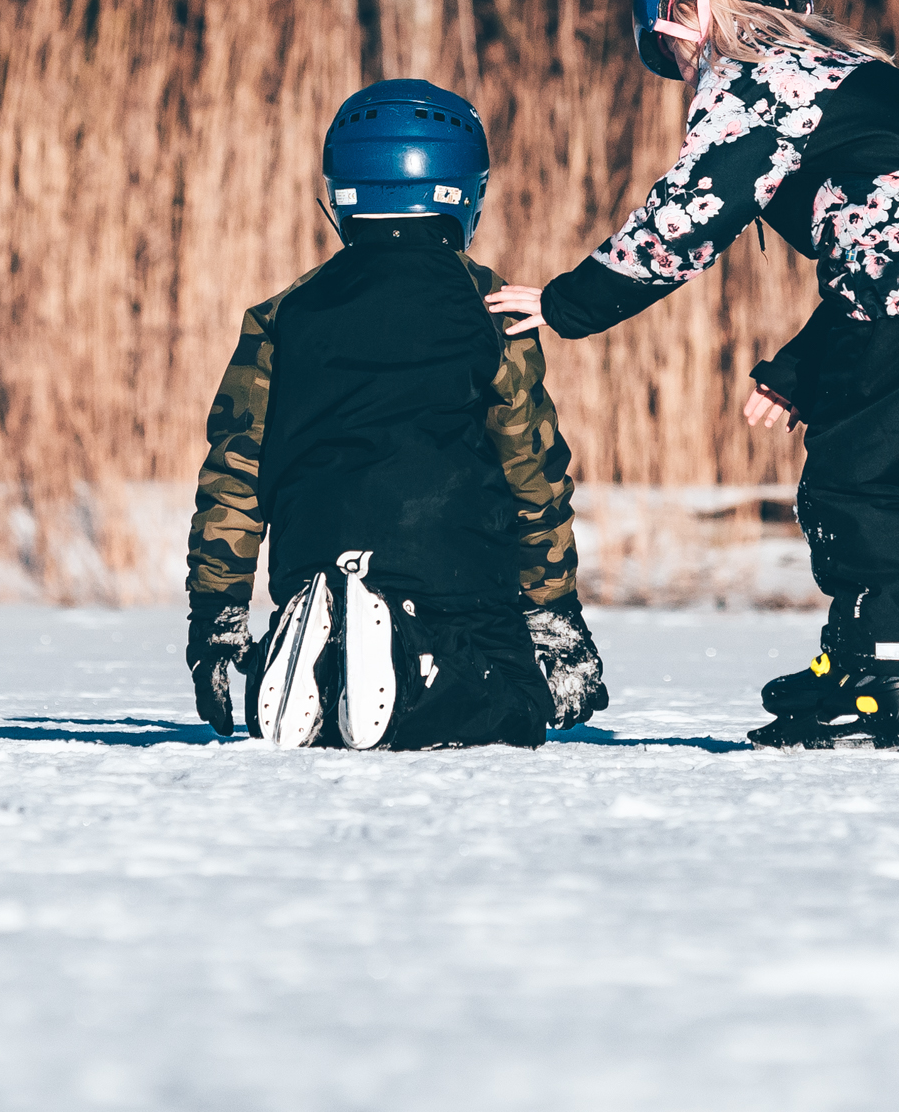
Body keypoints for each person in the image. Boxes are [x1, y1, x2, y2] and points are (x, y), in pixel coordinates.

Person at [486, 0, 899, 752]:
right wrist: (800, 367)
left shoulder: (751, 68)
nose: (679, 71)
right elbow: (892, 230)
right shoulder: (851, 66)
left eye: (668, 47)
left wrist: (568, 302)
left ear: (688, 4)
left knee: (859, 482)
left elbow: (693, 214)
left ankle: (878, 686)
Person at [185, 79, 610, 749]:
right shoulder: (489, 305)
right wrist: (553, 615)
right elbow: (534, 470)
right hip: (456, 576)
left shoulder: (281, 315)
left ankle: (316, 655)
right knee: (516, 703)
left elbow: (234, 472)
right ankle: (406, 656)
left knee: (339, 683)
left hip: (312, 573)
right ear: (463, 190)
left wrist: (217, 614)